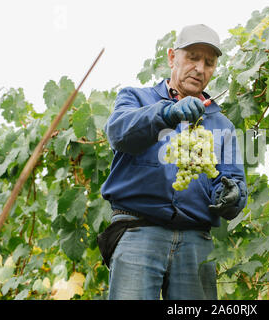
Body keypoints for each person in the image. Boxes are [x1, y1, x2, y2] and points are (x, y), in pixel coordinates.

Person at [99, 24, 248, 300]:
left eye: (209, 62)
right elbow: (118, 133)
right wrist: (167, 114)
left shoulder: (222, 124)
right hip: (137, 232)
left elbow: (232, 181)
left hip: (196, 242)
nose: (200, 68)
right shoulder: (136, 98)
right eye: (192, 57)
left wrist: (233, 196)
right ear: (172, 58)